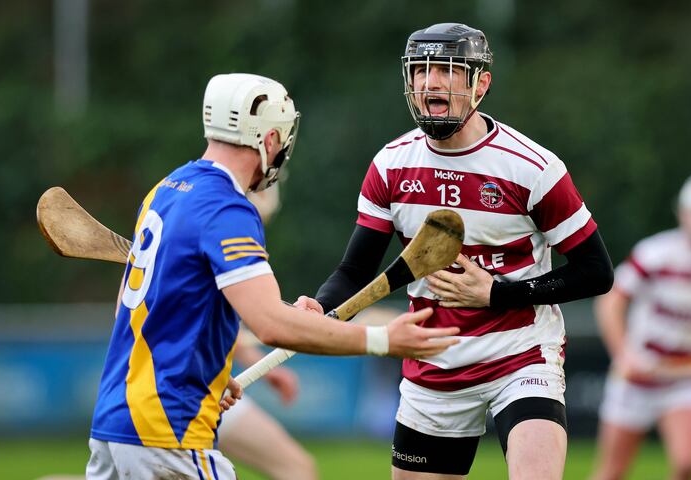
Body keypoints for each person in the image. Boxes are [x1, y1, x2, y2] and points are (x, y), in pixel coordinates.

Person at [85, 73, 461, 480]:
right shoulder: (226, 208)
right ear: (267, 140)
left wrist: (209, 372)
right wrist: (383, 340)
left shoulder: (168, 189)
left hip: (116, 424)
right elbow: (271, 324)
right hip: (166, 433)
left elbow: (156, 312)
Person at [294, 23, 613, 480]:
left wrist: (498, 295)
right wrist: (321, 305)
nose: (430, 82)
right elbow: (356, 269)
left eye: (446, 70)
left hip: (520, 354)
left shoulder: (532, 168)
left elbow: (595, 272)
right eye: (420, 70)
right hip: (433, 360)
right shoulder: (391, 166)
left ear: (480, 84)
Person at [591, 173, 691, 480]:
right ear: (683, 213)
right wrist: (624, 354)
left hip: (690, 375)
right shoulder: (655, 254)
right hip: (640, 373)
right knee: (611, 472)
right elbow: (611, 302)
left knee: (686, 465)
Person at [216, 184, 317, 480]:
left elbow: (221, 322)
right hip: (184, 395)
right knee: (297, 469)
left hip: (174, 391)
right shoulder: (223, 236)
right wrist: (379, 341)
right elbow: (270, 321)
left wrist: (263, 367)